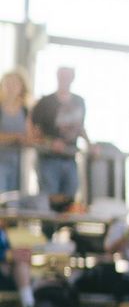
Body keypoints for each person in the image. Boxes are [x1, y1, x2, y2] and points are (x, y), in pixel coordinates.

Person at [28, 64, 85, 208]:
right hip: (48, 159)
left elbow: (80, 127)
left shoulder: (79, 101)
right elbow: (33, 132)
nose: (64, 79)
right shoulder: (45, 102)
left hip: (70, 158)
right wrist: (50, 142)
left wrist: (90, 144)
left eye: (67, 76)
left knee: (69, 200)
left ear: (73, 78)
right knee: (48, 201)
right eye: (62, 76)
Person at [0, 66, 31, 197]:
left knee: (14, 202)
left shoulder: (25, 110)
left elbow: (30, 136)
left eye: (15, 83)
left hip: (19, 163)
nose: (11, 87)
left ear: (22, 87)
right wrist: (16, 137)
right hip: (1, 161)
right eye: (8, 83)